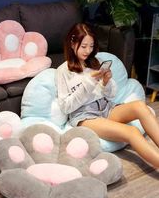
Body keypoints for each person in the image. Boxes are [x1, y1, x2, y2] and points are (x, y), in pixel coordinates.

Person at [55, 23, 159, 168]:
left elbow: (111, 95)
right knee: (132, 131)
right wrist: (89, 83)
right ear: (72, 44)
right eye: (84, 46)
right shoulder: (63, 71)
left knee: (141, 106)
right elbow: (66, 107)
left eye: (91, 46)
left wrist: (106, 82)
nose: (88, 51)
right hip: (85, 115)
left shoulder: (94, 63)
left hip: (106, 107)